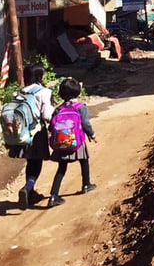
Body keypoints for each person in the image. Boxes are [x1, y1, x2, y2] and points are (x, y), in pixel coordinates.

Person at [46, 77, 97, 208]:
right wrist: (92, 135)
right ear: (78, 92)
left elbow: (51, 127)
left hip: (61, 144)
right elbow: (85, 123)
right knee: (84, 161)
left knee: (61, 169)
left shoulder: (58, 109)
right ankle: (86, 184)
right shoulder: (80, 107)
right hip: (77, 143)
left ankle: (53, 196)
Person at [8, 62, 53, 210]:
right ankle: (27, 188)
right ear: (40, 76)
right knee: (37, 163)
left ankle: (31, 193)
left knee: (30, 162)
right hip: (37, 132)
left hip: (22, 134)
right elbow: (46, 115)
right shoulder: (44, 92)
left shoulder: (19, 92)